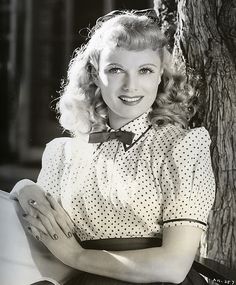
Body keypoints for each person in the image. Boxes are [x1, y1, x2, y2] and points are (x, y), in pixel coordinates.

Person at [10, 9, 215, 285]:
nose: (131, 86)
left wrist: (76, 256)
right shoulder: (63, 153)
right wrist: (24, 188)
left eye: (145, 70)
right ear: (95, 75)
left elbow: (173, 266)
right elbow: (41, 240)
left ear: (160, 76)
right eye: (116, 70)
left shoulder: (182, 147)